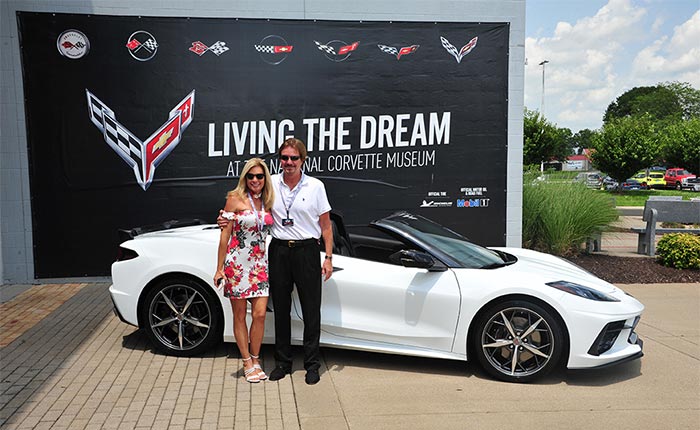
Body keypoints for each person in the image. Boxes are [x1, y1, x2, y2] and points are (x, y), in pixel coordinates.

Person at [218, 138, 334, 385]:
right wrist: (223, 219)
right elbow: (243, 211)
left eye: (294, 158)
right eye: (284, 158)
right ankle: (283, 363)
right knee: (280, 310)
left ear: (303, 160)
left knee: (311, 310)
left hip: (307, 252)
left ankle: (312, 364)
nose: (289, 162)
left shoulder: (315, 186)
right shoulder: (271, 186)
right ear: (279, 160)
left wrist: (329, 257)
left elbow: (326, 226)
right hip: (279, 252)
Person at [215, 158, 275, 383]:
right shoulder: (234, 199)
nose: (255, 180)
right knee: (239, 315)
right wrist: (219, 268)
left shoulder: (268, 200)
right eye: (251, 176)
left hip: (260, 265)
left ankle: (256, 358)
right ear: (245, 178)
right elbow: (225, 235)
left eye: (259, 176)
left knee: (259, 315)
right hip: (238, 265)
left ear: (265, 178)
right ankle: (246, 361)